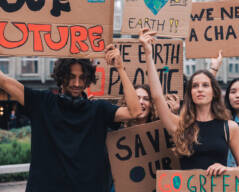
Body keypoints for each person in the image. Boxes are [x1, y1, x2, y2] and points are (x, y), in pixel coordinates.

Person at [0, 45, 141, 192]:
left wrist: (120, 68)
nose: (77, 83)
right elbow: (3, 81)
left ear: (88, 80)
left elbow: (135, 112)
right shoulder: (41, 103)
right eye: (71, 77)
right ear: (61, 76)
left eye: (82, 78)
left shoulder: (98, 109)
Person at [139, 28, 239, 176]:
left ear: (214, 92)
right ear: (190, 93)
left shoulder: (230, 127)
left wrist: (228, 169)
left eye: (205, 85)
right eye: (195, 86)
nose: (200, 89)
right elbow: (158, 96)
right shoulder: (180, 125)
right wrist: (148, 54)